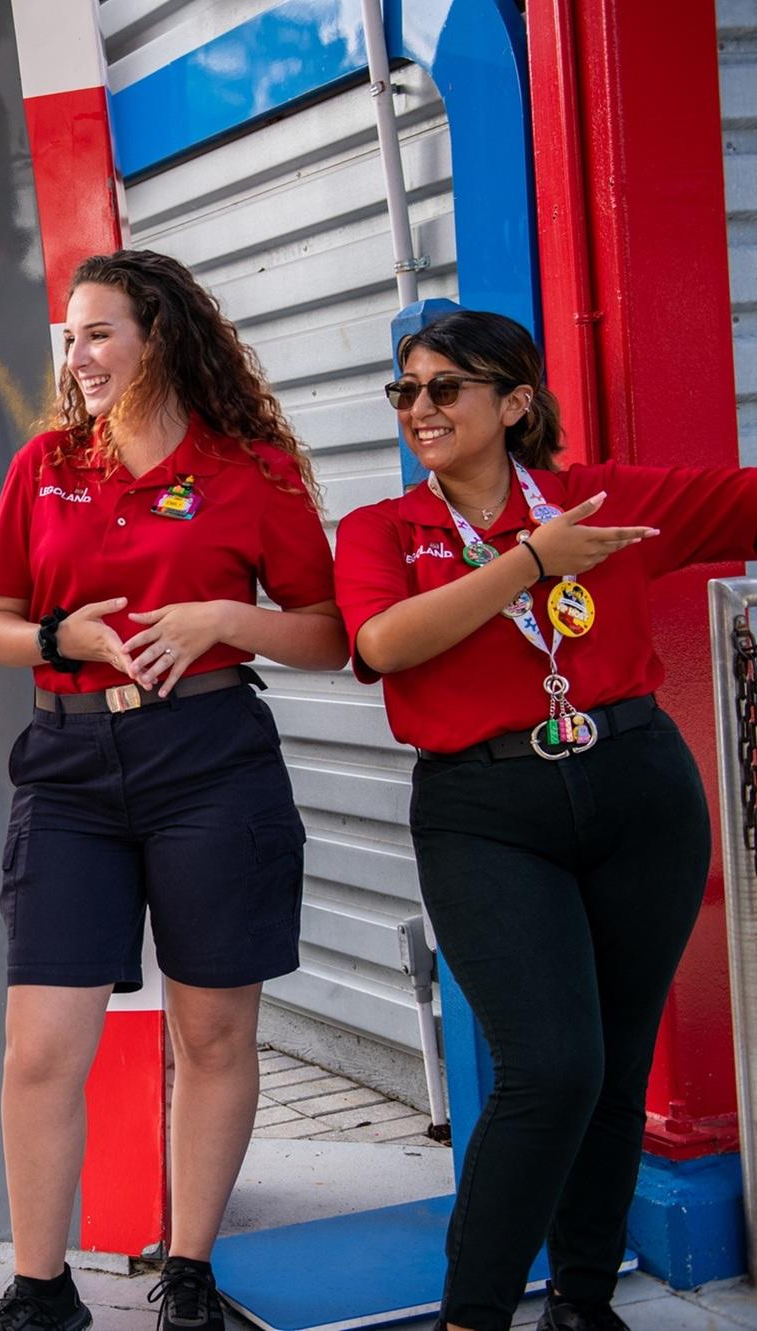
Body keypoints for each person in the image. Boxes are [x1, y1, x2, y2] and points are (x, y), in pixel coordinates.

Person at [335, 308, 757, 1331]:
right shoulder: (384, 530)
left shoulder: (600, 501)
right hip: (485, 809)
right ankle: (471, 1314)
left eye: (446, 387)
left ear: (514, 402)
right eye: (406, 390)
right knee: (550, 1064)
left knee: (613, 1058)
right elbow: (385, 641)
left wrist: (558, 539)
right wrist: (534, 560)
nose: (420, 408)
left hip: (638, 789)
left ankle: (582, 1298)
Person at [0, 250, 348, 1331]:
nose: (79, 357)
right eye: (72, 338)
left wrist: (224, 619)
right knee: (42, 1043)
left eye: (100, 333)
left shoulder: (255, 470)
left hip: (211, 760)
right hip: (70, 767)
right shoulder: (44, 465)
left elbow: (331, 635)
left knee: (215, 1035)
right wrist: (61, 632)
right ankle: (41, 1288)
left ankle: (188, 1270)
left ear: (162, 337)